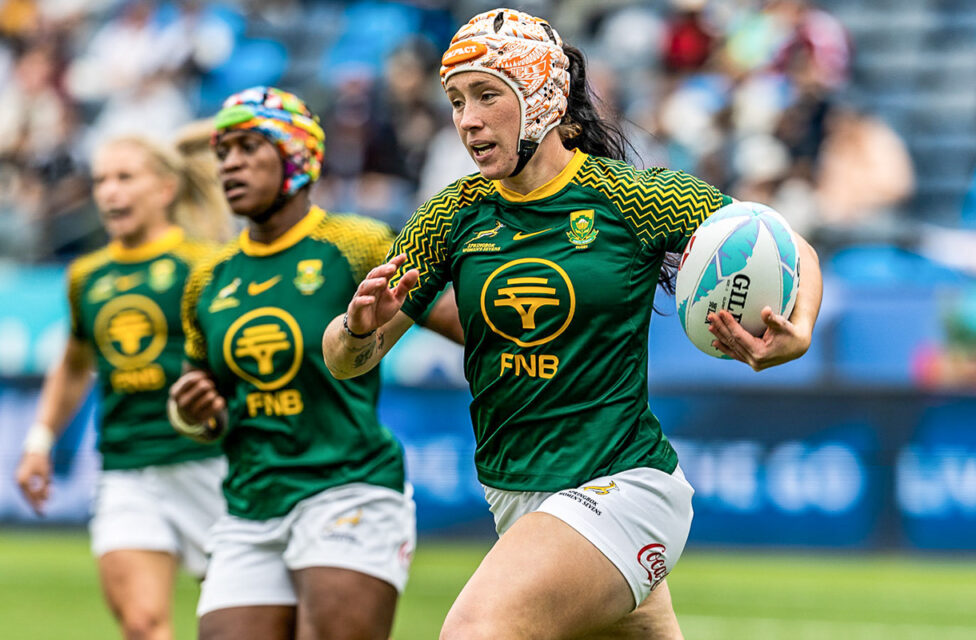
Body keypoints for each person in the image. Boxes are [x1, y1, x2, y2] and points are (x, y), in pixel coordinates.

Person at [323, 8, 823, 639]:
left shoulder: (632, 198)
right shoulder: (450, 216)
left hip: (627, 487)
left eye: (486, 95)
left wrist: (799, 328)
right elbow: (347, 362)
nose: (467, 119)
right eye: (456, 101)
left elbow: (783, 241)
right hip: (516, 496)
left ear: (541, 97)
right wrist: (358, 328)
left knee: (474, 631)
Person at [168, 86, 462, 640]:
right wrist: (190, 412)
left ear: (297, 156)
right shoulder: (208, 278)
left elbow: (464, 324)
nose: (229, 163)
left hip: (349, 487)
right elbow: (197, 401)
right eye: (223, 151)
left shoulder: (357, 243)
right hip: (251, 502)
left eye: (248, 147)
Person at [15, 129, 232, 640]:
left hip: (211, 464)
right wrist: (40, 441)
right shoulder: (87, 276)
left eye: (125, 177)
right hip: (125, 469)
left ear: (165, 189)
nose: (110, 191)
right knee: (141, 624)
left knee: (242, 623)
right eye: (101, 180)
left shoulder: (204, 264)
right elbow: (74, 364)